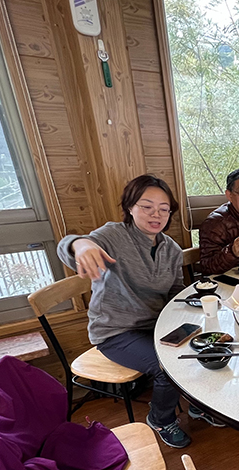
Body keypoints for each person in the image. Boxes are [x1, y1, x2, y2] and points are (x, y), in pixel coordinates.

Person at [57, 175, 222, 449]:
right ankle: (160, 418)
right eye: (146, 207)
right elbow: (70, 246)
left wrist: (196, 301)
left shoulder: (171, 249)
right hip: (116, 332)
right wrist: (80, 244)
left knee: (208, 343)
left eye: (163, 209)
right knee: (166, 367)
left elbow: (174, 291)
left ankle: (196, 405)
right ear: (130, 207)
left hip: (156, 325)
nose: (156, 214)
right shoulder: (114, 235)